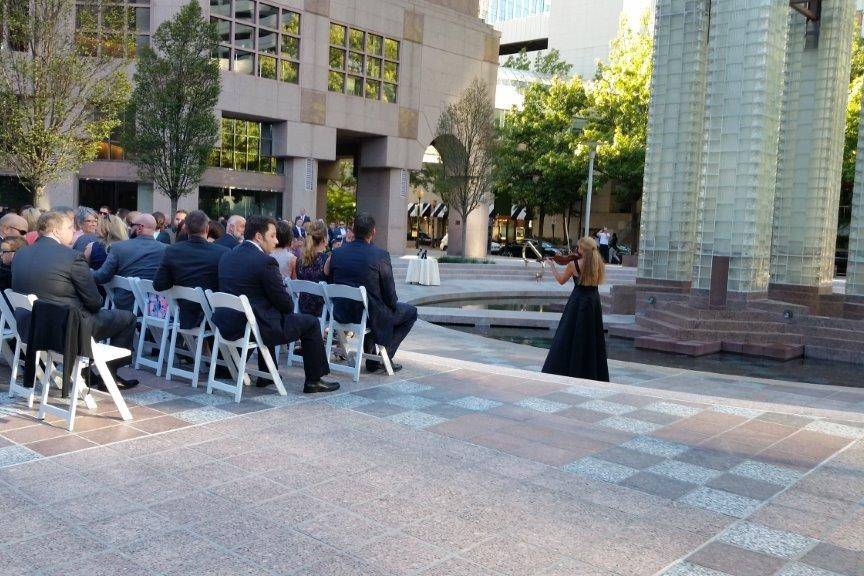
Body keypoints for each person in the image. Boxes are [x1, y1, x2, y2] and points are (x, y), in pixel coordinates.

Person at [11, 211, 139, 389]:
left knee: (82, 312)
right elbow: (95, 302)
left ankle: (87, 373)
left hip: (28, 327)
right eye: (70, 227)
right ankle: (109, 376)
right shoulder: (72, 257)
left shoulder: (20, 253)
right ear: (56, 231)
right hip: (65, 330)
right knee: (127, 318)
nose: (73, 231)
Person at [212, 216, 338, 394]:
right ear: (258, 236)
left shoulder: (227, 256)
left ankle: (266, 375)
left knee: (265, 312)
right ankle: (314, 380)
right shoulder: (264, 261)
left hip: (230, 323)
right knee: (310, 323)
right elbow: (285, 304)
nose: (277, 241)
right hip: (256, 327)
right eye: (272, 236)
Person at [328, 213, 417, 373]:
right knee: (410, 312)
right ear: (373, 232)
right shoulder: (380, 255)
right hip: (369, 316)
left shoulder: (337, 253)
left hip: (341, 313)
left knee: (371, 306)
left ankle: (372, 361)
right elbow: (390, 295)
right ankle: (386, 358)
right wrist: (390, 306)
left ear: (353, 230)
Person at [541, 237, 609, 381]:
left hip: (578, 301)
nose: (576, 250)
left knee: (570, 335)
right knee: (591, 336)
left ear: (582, 250)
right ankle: (591, 372)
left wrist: (552, 266)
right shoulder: (598, 263)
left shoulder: (574, 264)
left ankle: (568, 368)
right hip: (593, 302)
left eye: (578, 248)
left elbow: (561, 281)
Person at [154, 210, 229, 330]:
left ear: (186, 229)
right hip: (213, 316)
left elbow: (159, 284)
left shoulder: (172, 250)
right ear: (207, 229)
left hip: (183, 313)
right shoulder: (222, 252)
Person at [92, 213, 167, 311]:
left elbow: (101, 276)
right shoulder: (166, 250)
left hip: (126, 305)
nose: (129, 228)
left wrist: (84, 272)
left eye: (132, 225)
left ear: (140, 228)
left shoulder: (118, 247)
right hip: (157, 307)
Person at [296, 220, 330, 317]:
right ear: (324, 239)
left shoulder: (299, 260)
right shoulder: (326, 260)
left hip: (302, 309)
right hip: (322, 312)